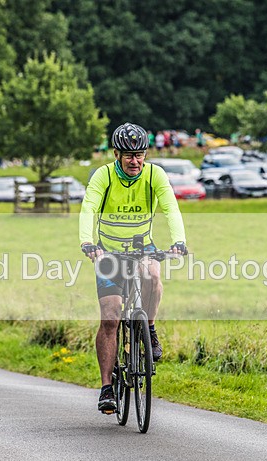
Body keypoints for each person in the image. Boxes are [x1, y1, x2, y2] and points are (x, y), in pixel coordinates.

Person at [79, 122, 188, 414]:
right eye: (128, 155)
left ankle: (149, 329)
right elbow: (89, 207)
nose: (134, 161)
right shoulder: (103, 176)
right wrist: (88, 242)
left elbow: (171, 208)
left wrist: (179, 241)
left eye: (139, 155)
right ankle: (106, 388)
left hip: (143, 248)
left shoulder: (154, 175)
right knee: (111, 318)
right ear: (117, 154)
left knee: (153, 274)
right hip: (108, 251)